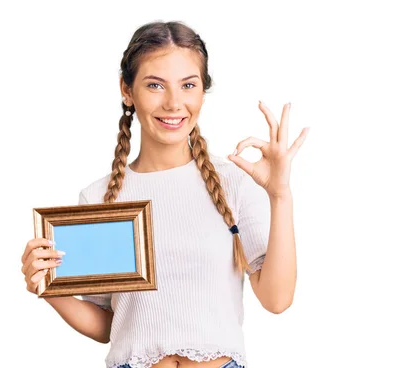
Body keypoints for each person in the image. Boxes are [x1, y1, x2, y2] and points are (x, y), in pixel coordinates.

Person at [20, 20, 308, 368]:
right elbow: (106, 325)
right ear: (127, 90)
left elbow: (277, 299)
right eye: (155, 85)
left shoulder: (233, 182)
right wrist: (47, 287)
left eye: (188, 85)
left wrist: (280, 195)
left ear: (203, 91)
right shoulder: (98, 198)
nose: (174, 103)